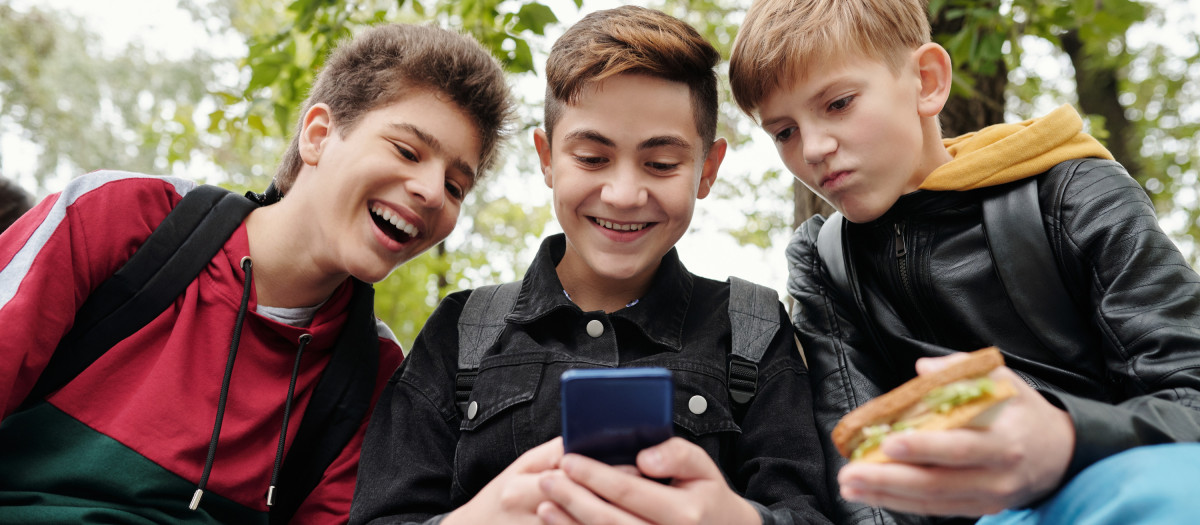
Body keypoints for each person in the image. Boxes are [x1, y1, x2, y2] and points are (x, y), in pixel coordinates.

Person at [0, 23, 513, 524]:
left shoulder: (372, 377)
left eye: (455, 186)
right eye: (406, 150)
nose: (429, 190)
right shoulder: (121, 218)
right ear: (318, 136)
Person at [349, 6, 833, 525]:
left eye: (662, 164)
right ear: (547, 158)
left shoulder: (753, 329)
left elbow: (808, 511)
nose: (623, 195)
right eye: (592, 158)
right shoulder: (462, 332)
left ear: (706, 170)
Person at [728, 0, 1200, 524]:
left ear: (927, 81)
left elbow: (1188, 392)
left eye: (838, 103)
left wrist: (1066, 438)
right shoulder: (825, 262)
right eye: (784, 132)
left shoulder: (1073, 196)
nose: (813, 148)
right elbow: (862, 465)